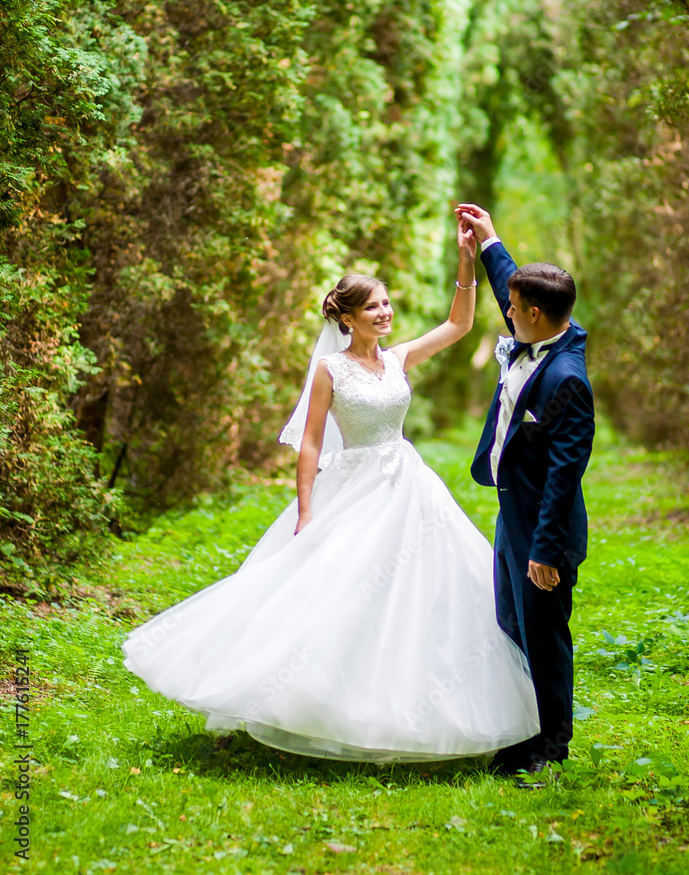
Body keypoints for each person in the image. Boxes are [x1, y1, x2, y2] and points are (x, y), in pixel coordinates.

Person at [121, 216, 540, 763]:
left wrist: (467, 260)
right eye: (373, 307)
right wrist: (305, 511)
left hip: (409, 485)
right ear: (346, 317)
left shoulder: (398, 359)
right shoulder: (330, 370)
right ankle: (310, 697)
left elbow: (459, 325)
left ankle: (407, 704)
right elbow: (313, 444)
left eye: (387, 304)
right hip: (356, 486)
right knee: (338, 587)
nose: (385, 313)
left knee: (425, 591)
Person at [456, 202, 595, 780]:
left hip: (543, 532)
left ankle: (551, 746)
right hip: (509, 512)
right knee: (510, 627)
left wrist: (543, 551)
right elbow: (508, 287)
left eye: (512, 309)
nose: (504, 313)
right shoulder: (535, 330)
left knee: (543, 638)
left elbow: (564, 479)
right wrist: (490, 242)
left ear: (534, 315)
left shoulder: (568, 381)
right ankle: (521, 732)